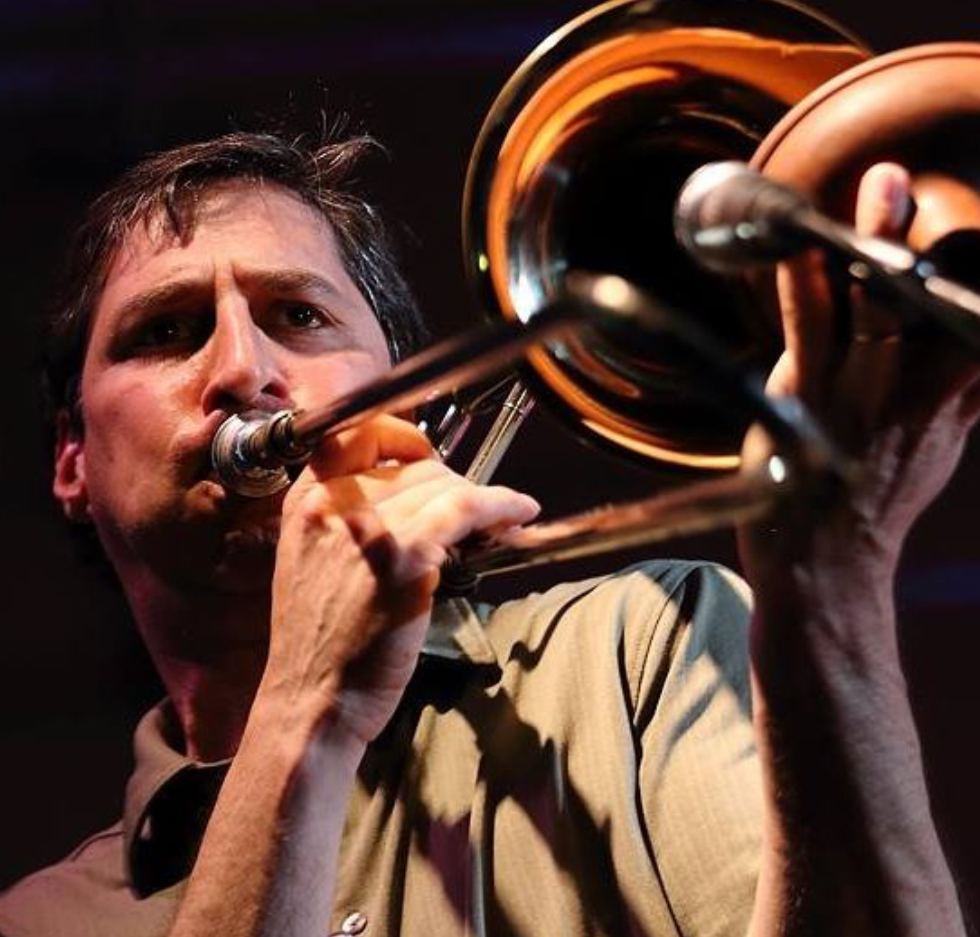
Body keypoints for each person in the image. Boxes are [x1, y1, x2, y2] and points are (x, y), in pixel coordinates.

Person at [0, 129, 971, 937]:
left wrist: (829, 582)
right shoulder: (38, 920)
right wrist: (305, 710)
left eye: (297, 314)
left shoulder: (633, 646)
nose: (243, 369)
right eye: (165, 331)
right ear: (71, 460)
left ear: (406, 402)